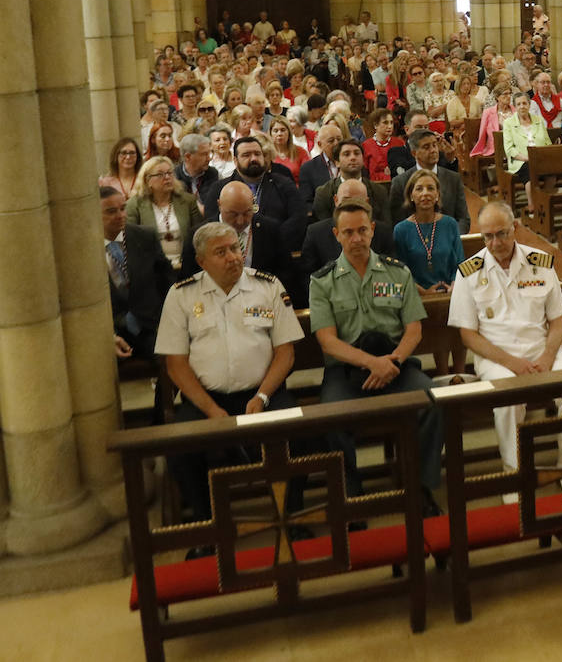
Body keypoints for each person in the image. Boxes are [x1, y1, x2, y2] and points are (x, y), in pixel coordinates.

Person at [156, 222, 304, 536]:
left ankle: (292, 518)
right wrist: (211, 409)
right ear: (201, 262)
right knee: (181, 450)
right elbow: (176, 364)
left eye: (235, 248)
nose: (233, 257)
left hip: (264, 393)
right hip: (206, 398)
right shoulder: (181, 296)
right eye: (221, 252)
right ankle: (207, 528)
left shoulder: (267, 286)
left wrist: (262, 396)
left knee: (299, 435)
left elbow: (285, 353)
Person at [309, 198, 443, 510]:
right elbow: (328, 342)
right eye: (348, 232)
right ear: (336, 235)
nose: (356, 238)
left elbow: (414, 330)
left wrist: (392, 362)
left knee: (432, 402)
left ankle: (420, 487)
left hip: (396, 364)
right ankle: (350, 497)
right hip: (347, 371)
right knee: (329, 417)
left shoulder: (398, 273)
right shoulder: (322, 281)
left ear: (372, 230)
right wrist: (373, 364)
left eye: (362, 231)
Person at [449, 201, 562, 478]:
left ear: (515, 228)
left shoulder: (539, 262)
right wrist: (512, 363)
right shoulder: (469, 272)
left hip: (544, 352)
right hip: (498, 358)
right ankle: (514, 473)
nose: (495, 243)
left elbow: (558, 319)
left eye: (502, 233)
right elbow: (467, 334)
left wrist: (548, 356)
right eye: (488, 236)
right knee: (507, 399)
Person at [102, 186, 173, 362]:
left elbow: (167, 280)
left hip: (149, 325)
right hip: (108, 331)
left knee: (171, 359)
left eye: (123, 208)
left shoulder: (144, 236)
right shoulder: (81, 249)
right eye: (111, 211)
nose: (120, 215)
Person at [204, 136, 309, 248]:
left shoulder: (283, 184)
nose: (253, 158)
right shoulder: (220, 188)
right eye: (246, 155)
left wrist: (272, 239)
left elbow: (299, 217)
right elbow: (213, 224)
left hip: (277, 248)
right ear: (235, 160)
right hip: (233, 247)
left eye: (257, 154)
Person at [301, 178, 396, 273]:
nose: (352, 204)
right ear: (336, 200)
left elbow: (391, 273)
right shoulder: (316, 233)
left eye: (358, 200)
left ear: (367, 202)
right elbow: (308, 276)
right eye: (346, 200)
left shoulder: (383, 232)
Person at [126, 156, 202, 272]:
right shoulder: (135, 205)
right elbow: (132, 242)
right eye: (160, 174)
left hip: (186, 265)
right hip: (152, 269)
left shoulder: (187, 201)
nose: (167, 178)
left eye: (169, 173)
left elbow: (199, 234)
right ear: (147, 180)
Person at [393, 169, 464, 294]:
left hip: (451, 293)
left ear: (437, 195)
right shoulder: (401, 230)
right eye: (419, 189)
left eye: (430, 188)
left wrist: (454, 285)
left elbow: (459, 262)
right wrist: (424, 292)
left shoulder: (450, 224)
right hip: (416, 296)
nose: (425, 193)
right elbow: (401, 272)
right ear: (411, 195)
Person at [389, 128, 469, 228]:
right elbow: (397, 222)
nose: (433, 150)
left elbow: (463, 219)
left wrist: (451, 236)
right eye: (426, 147)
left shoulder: (453, 178)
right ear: (414, 153)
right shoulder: (400, 182)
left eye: (434, 145)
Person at [502, 92, 552, 184]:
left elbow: (547, 143)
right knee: (530, 171)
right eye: (519, 104)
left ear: (529, 105)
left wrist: (544, 157)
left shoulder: (538, 120)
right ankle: (532, 198)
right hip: (521, 161)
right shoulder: (508, 123)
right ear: (515, 107)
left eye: (524, 103)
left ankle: (545, 197)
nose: (522, 106)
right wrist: (528, 158)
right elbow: (509, 149)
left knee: (553, 170)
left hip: (541, 159)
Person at [361, 108, 406, 182]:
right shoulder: (366, 145)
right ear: (375, 125)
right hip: (374, 187)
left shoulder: (399, 143)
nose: (389, 126)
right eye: (385, 122)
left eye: (391, 123)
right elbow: (364, 172)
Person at [268, 118, 309, 183]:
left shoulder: (301, 152)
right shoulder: (267, 154)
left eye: (283, 130)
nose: (279, 134)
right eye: (275, 131)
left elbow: (307, 176)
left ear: (289, 132)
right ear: (270, 134)